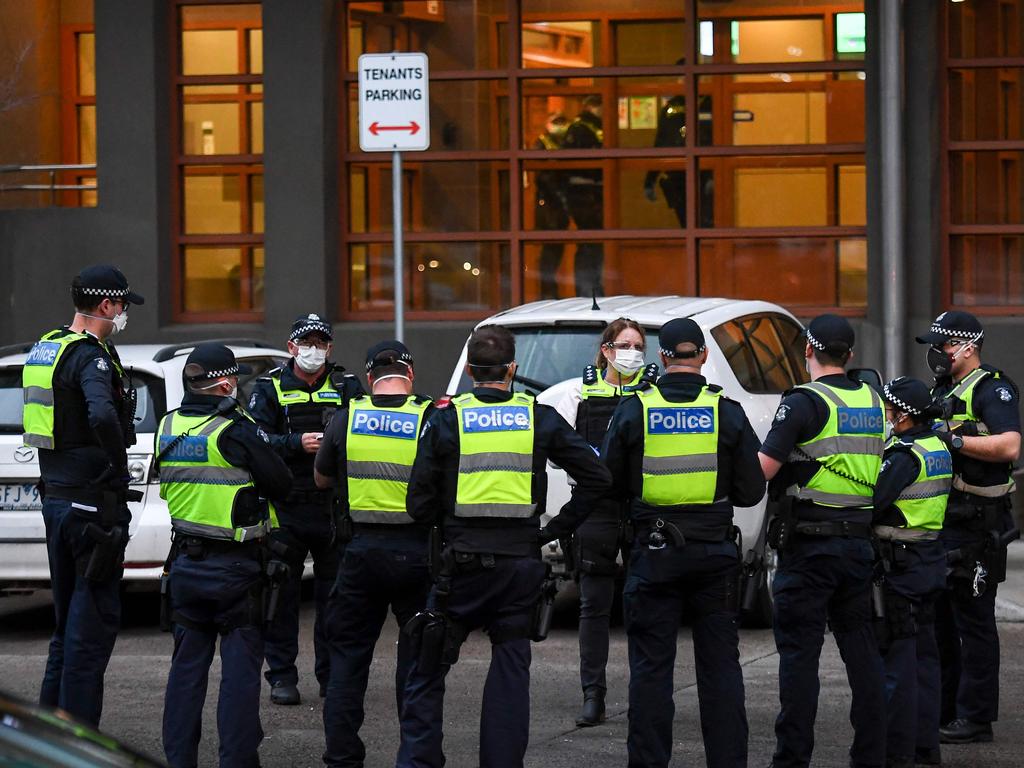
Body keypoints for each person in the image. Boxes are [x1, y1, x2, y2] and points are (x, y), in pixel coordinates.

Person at [395, 325, 613, 768]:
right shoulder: (539, 416)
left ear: (471, 370)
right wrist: (555, 529)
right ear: (512, 369)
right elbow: (598, 477)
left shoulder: (447, 417)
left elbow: (417, 504)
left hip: (458, 565)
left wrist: (449, 521)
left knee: (427, 665)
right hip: (519, 564)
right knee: (511, 671)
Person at [602, 317, 764, 768]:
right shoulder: (725, 410)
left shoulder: (636, 408)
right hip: (714, 555)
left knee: (651, 670)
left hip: (653, 555)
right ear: (705, 357)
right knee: (720, 670)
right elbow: (752, 491)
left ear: (663, 357)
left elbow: (609, 481)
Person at [758, 313, 887, 768]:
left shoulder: (803, 402)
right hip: (858, 543)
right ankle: (872, 756)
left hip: (810, 548)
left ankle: (792, 759)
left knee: (799, 658)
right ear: (850, 355)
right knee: (862, 653)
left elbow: (762, 471)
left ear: (807, 350)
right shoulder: (874, 399)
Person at [158, 343, 292, 768]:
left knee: (185, 674)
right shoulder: (234, 428)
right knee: (239, 677)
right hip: (235, 568)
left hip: (184, 562)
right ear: (226, 380)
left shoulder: (168, 425)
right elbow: (281, 483)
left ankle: (179, 760)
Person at [23, 264, 144, 727]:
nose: (121, 317)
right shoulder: (90, 356)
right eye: (121, 307)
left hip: (56, 496)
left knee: (65, 628)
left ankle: (48, 735)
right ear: (106, 305)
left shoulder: (47, 346)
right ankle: (80, 743)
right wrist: (116, 464)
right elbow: (100, 414)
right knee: (90, 631)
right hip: (91, 504)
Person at [314, 340, 434, 768]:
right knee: (418, 658)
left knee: (347, 658)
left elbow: (322, 479)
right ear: (411, 374)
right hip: (418, 552)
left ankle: (342, 758)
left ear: (369, 378)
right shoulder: (429, 418)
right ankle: (416, 757)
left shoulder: (347, 418)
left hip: (360, 551)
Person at [914, 311, 1021, 745]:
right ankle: (945, 709)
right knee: (940, 621)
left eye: (941, 345)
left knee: (973, 624)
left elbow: (1010, 444)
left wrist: (952, 440)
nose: (935, 353)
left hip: (978, 525)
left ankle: (976, 718)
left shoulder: (992, 387)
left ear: (966, 346)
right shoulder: (944, 388)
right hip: (945, 521)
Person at [544, 317, 655, 727]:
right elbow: (559, 451)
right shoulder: (578, 392)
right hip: (596, 508)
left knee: (647, 602)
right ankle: (594, 694)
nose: (633, 354)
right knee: (594, 605)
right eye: (625, 345)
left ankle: (647, 692)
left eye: (638, 346)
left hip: (643, 506)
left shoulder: (653, 393)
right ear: (606, 350)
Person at [248, 313, 363, 706]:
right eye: (306, 343)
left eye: (321, 344)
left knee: (335, 600)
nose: (314, 351)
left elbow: (363, 431)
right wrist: (297, 443)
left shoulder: (346, 385)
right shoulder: (269, 387)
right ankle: (281, 676)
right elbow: (257, 438)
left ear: (330, 348)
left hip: (332, 508)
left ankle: (331, 678)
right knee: (280, 595)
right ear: (291, 347)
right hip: (285, 506)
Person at [872, 377, 952, 768]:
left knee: (898, 664)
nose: (886, 415)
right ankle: (925, 747)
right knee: (925, 659)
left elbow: (874, 501)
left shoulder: (903, 455)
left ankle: (898, 752)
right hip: (929, 559)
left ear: (903, 415)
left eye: (889, 409)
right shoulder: (937, 446)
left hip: (901, 563)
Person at [642, 62, 714, 228]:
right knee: (687, 222)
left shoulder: (711, 103)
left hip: (704, 173)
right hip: (678, 173)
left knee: (706, 224)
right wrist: (650, 179)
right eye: (681, 77)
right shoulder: (672, 108)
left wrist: (713, 175)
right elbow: (661, 142)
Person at [562, 94, 605, 298]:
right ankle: (587, 290)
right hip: (584, 194)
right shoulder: (581, 128)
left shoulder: (595, 126)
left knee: (594, 245)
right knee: (589, 244)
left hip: (593, 193)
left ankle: (593, 288)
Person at [533, 112, 570, 300]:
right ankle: (547, 293)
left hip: (559, 204)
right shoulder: (543, 143)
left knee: (556, 251)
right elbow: (542, 176)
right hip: (548, 204)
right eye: (556, 122)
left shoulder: (564, 143)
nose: (560, 126)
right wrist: (558, 194)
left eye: (563, 122)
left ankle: (550, 291)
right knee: (550, 252)